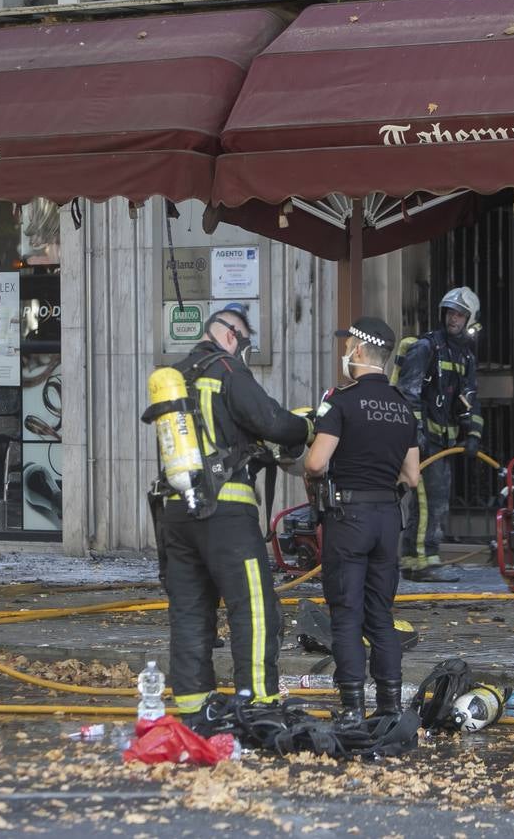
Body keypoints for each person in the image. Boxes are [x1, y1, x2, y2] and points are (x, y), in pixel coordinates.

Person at [158, 304, 311, 723]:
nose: (244, 349)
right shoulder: (226, 369)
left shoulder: (176, 379)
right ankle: (259, 702)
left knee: (190, 610)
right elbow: (273, 422)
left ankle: (194, 708)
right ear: (230, 335)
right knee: (253, 606)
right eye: (244, 340)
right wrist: (309, 428)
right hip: (227, 511)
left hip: (176, 513)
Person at [304, 317, 421, 725]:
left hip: (348, 518)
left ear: (356, 349)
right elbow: (412, 476)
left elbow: (316, 463)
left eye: (348, 345)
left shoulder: (340, 401)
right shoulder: (403, 406)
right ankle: (390, 707)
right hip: (388, 520)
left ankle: (353, 708)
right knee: (381, 616)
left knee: (347, 614)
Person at [395, 287, 484, 582]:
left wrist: (473, 434)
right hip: (422, 443)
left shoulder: (465, 357)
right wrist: (415, 436)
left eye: (459, 314)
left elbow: (468, 398)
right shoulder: (426, 348)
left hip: (443, 444)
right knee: (428, 501)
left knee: (434, 501)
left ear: (470, 319)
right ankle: (422, 562)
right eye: (450, 312)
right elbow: (409, 394)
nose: (453, 319)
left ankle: (415, 558)